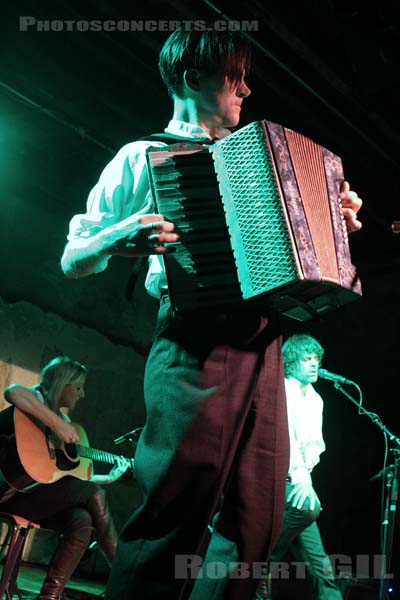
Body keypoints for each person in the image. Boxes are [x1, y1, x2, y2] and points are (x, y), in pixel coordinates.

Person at [60, 30, 362, 600]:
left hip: (265, 342)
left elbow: (302, 250)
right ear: (195, 79)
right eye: (234, 76)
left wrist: (334, 213)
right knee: (175, 512)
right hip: (193, 343)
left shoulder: (251, 157)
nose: (246, 87)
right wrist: (125, 232)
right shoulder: (143, 155)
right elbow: (73, 258)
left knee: (257, 523)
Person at [0, 356, 130, 600]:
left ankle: (49, 596)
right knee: (92, 493)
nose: (82, 394)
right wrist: (57, 425)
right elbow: (13, 391)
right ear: (63, 383)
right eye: (79, 386)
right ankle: (124, 574)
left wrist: (109, 477)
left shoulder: (68, 424)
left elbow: (63, 476)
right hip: (8, 492)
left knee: (81, 519)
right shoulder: (35, 401)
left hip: (33, 495)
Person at [256, 334, 343, 600]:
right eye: (307, 359)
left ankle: (261, 565)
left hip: (300, 478)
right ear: (292, 362)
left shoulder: (316, 399)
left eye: (316, 359)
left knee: (321, 566)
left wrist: (307, 476)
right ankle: (259, 566)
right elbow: (286, 438)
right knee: (308, 509)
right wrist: (300, 476)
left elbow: (314, 444)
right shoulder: (281, 390)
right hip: (278, 476)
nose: (314, 364)